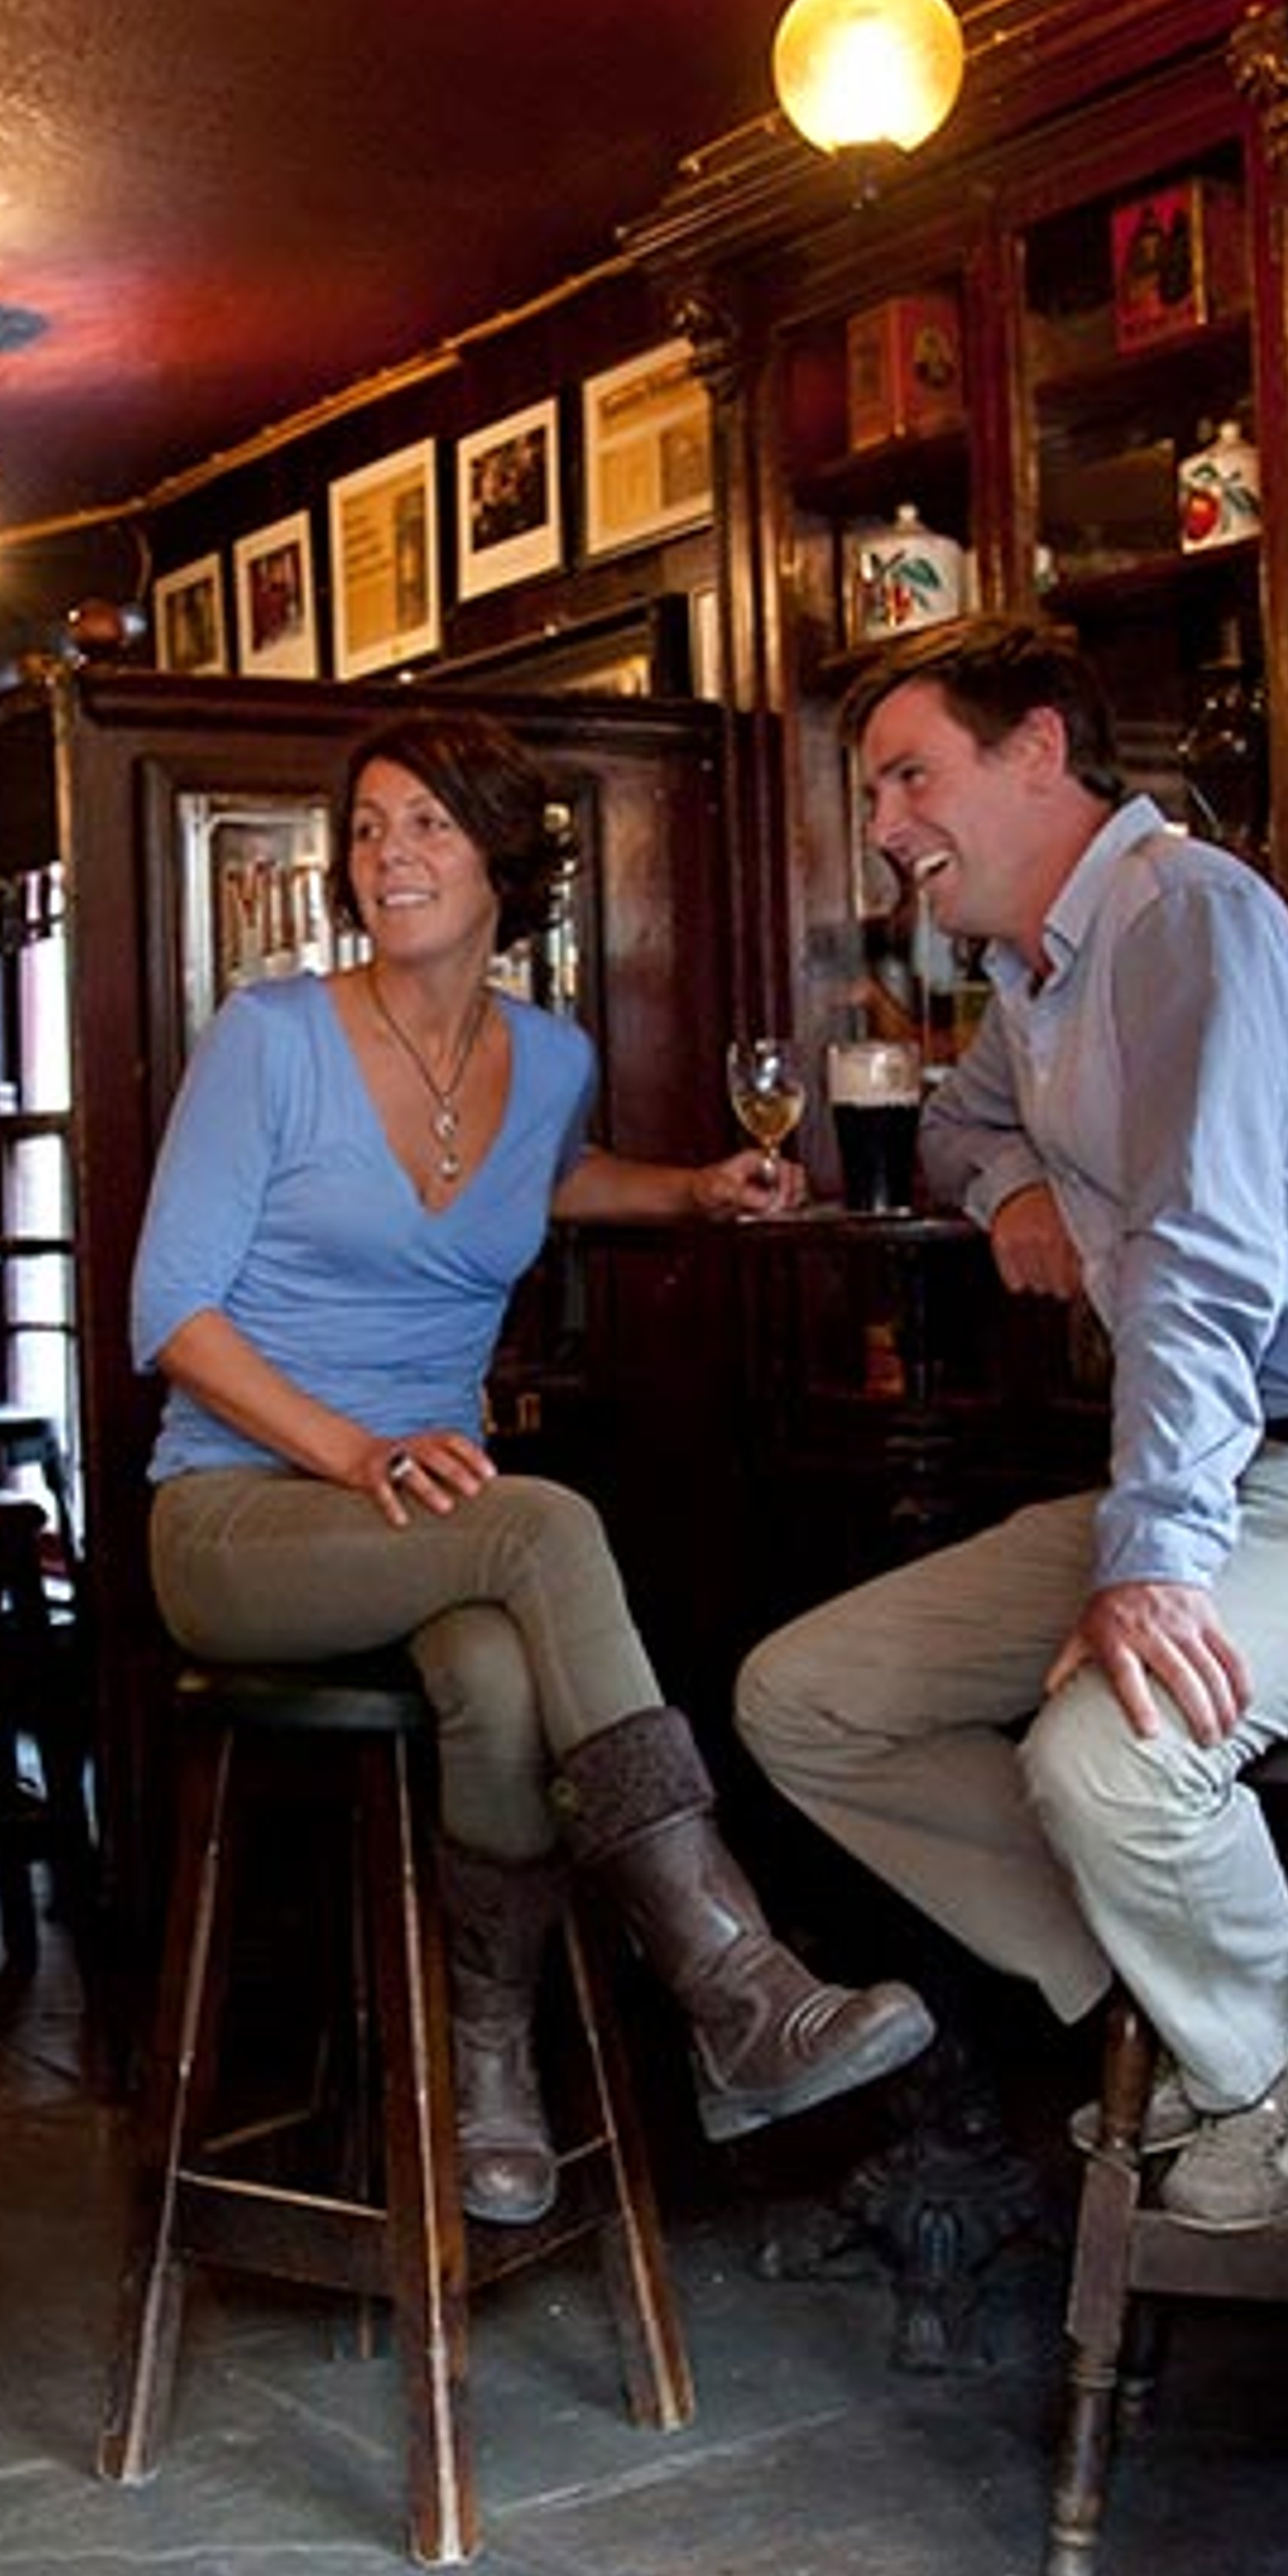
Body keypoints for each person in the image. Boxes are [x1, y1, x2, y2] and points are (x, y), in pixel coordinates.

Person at [133, 710, 931, 2229]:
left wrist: (694, 1188)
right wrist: (355, 1450)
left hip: (428, 1519)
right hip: (244, 1510)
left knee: (501, 1680)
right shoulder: (273, 1037)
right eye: (369, 828)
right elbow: (169, 1315)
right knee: (545, 1526)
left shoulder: (547, 1056)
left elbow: (545, 1182)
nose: (391, 857)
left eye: (428, 824)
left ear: (506, 857)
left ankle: (487, 2064)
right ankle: (734, 1982)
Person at [735, 617, 1288, 2231]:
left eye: (911, 775)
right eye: (876, 787)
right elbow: (955, 1128)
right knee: (809, 1700)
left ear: (1040, 751)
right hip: (1204, 1469)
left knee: (1105, 1761)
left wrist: (1153, 1564)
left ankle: (1259, 2045)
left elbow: (1203, 1265)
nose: (886, 822)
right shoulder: (1039, 970)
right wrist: (1016, 1175)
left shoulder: (1191, 921)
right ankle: (1230, 1990)